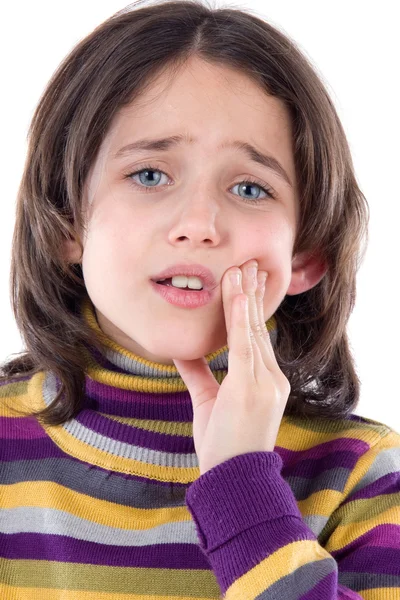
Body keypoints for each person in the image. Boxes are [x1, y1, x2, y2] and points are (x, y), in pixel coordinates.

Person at [1, 0, 399, 598]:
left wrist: (242, 486)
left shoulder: (359, 476)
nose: (199, 223)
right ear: (65, 224)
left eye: (249, 187)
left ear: (304, 256)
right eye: (150, 175)